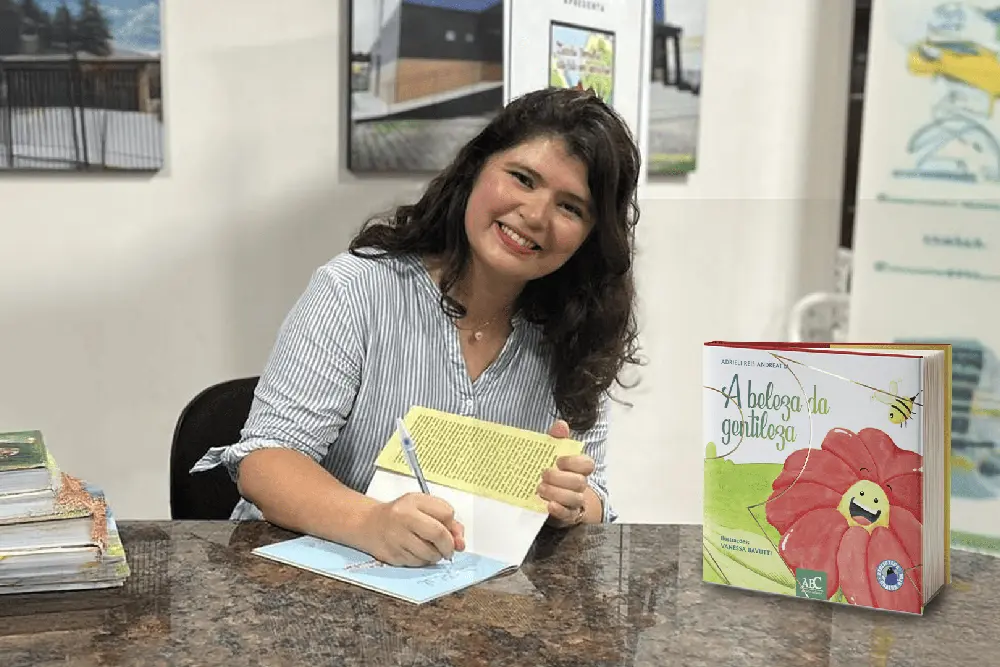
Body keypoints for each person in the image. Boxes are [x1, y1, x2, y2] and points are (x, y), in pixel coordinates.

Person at [192, 87, 641, 567]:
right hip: (305, 590)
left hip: (470, 600)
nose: (535, 216)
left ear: (592, 237)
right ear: (475, 170)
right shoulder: (356, 290)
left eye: (570, 207)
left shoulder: (579, 332)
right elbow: (266, 460)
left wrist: (571, 505)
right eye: (522, 178)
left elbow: (594, 494)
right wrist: (371, 523)